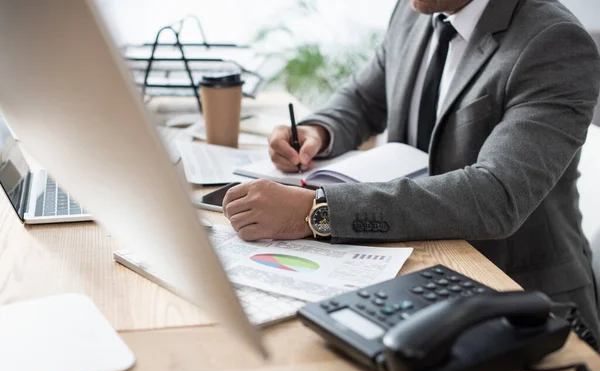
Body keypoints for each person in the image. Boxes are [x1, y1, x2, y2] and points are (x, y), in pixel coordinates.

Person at [223, 0, 600, 336]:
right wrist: (317, 131)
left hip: (517, 294)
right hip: (416, 267)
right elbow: (363, 99)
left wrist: (314, 211)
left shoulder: (554, 41)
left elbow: (496, 194)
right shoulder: (414, 10)